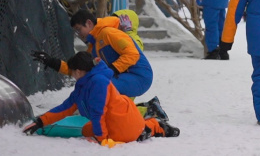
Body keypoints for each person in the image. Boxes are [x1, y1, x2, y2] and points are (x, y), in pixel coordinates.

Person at [23, 52, 178, 146]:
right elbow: (66, 107)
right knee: (86, 129)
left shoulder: (98, 82)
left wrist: (100, 139)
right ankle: (149, 127)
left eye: (72, 71)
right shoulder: (84, 84)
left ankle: (153, 127)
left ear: (78, 71)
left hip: (124, 121)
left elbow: (98, 113)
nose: (71, 74)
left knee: (118, 130)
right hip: (121, 120)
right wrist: (41, 121)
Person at [32, 10, 153, 98]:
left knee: (99, 85)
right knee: (91, 82)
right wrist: (52, 62)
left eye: (79, 29)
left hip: (139, 76)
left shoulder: (108, 33)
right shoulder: (94, 46)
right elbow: (80, 69)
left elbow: (132, 54)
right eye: (76, 32)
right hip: (122, 77)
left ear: (89, 23)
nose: (79, 34)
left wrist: (112, 69)